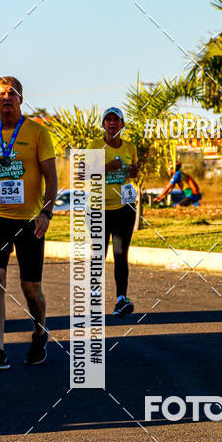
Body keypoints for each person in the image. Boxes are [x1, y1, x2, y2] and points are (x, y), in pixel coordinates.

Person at [0, 76, 57, 367]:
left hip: (30, 220)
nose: (6, 98)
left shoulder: (37, 132)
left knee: (30, 289)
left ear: (21, 98)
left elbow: (52, 178)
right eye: (1, 94)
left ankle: (39, 333)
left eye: (11, 93)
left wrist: (46, 213)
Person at [90, 108, 138, 317]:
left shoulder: (130, 147)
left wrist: (134, 171)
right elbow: (86, 172)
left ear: (122, 124)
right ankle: (93, 294)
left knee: (121, 254)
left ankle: (121, 299)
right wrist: (108, 166)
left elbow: (132, 171)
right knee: (100, 253)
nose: (112, 123)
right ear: (103, 125)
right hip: (99, 208)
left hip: (124, 208)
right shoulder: (94, 146)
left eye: (115, 120)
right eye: (108, 120)